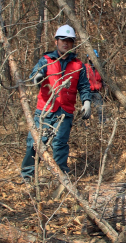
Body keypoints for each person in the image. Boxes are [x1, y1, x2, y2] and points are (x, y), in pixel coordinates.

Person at [21, 25, 92, 181]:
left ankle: (61, 179)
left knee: (60, 145)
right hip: (44, 111)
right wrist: (38, 76)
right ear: (56, 41)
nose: (65, 44)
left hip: (65, 112)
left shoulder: (78, 65)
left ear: (72, 43)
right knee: (34, 144)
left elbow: (84, 86)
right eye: (62, 40)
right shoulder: (46, 60)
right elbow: (35, 74)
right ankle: (27, 177)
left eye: (69, 41)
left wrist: (86, 101)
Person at [85, 49, 105, 123]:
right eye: (91, 57)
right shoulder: (85, 67)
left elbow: (103, 80)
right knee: (87, 110)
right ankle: (86, 126)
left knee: (100, 109)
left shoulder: (99, 68)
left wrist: (105, 90)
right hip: (87, 92)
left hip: (97, 92)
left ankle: (102, 123)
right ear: (88, 58)